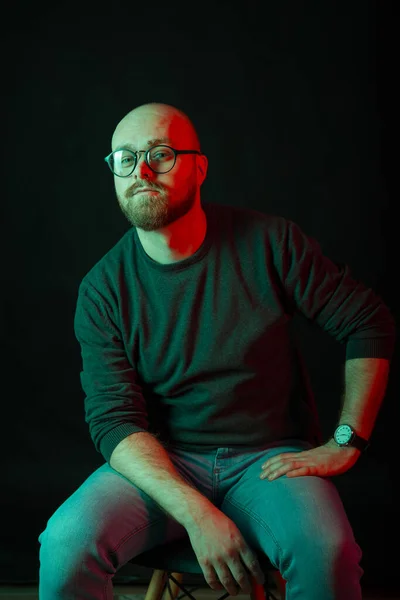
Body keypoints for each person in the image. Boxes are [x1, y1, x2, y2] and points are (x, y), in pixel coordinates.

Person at [38, 102, 396, 600]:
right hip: (164, 463)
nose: (140, 170)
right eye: (124, 158)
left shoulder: (271, 243)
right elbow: (115, 421)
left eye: (160, 154)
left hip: (270, 461)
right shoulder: (103, 288)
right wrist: (197, 513)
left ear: (199, 167)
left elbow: (367, 322)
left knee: (327, 552)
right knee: (64, 544)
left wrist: (346, 440)